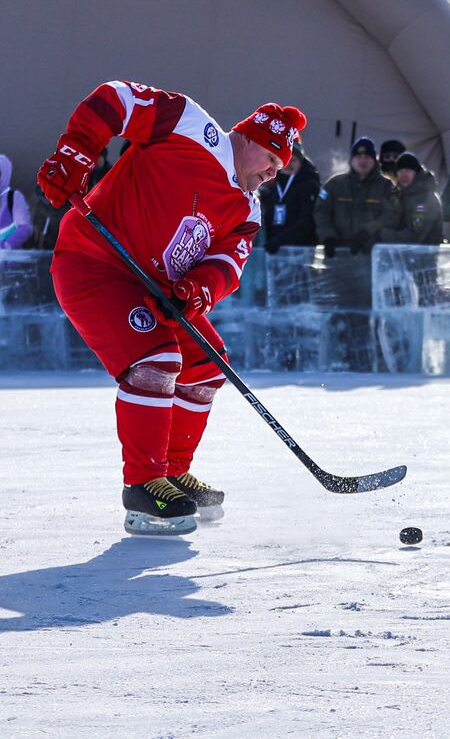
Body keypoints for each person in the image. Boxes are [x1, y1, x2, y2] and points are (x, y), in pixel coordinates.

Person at [36, 79, 306, 535]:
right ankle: (142, 488)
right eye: (272, 160)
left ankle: (171, 471)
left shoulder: (248, 210)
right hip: (94, 265)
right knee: (156, 360)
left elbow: (226, 264)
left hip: (156, 289)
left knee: (207, 363)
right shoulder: (189, 125)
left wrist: (197, 290)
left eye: (281, 167)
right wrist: (76, 153)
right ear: (250, 140)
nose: (273, 174)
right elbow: (114, 98)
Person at [315, 137, 397, 256]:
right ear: (351, 160)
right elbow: (321, 211)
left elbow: (391, 215)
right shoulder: (334, 184)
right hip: (337, 253)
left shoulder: (386, 186)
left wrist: (367, 232)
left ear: (374, 160)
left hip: (370, 254)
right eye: (358, 157)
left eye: (367, 157)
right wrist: (328, 237)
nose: (362, 161)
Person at [260, 146, 321, 253]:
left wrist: (279, 241)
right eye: (286, 160)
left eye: (293, 160)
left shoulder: (309, 186)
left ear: (301, 163)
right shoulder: (273, 188)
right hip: (275, 252)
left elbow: (306, 223)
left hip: (301, 252)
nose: (289, 165)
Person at [381, 152, 443, 245]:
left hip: (422, 255)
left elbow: (415, 236)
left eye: (408, 170)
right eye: (400, 171)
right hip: (402, 254)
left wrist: (381, 234)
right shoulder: (399, 195)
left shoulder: (426, 200)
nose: (404, 174)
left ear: (417, 172)